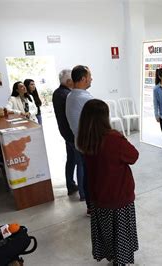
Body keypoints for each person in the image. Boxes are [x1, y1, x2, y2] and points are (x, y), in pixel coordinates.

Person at [76, 99, 139, 265]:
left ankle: (111, 256)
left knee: (106, 231)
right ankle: (120, 261)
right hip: (118, 194)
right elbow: (133, 156)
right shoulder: (114, 138)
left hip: (98, 195)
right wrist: (122, 137)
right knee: (121, 233)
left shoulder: (84, 139)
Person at [66, 65, 93, 215]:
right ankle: (93, 206)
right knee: (92, 175)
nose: (91, 79)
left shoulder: (71, 96)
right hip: (89, 144)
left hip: (80, 141)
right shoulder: (84, 98)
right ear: (83, 78)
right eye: (90, 76)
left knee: (87, 173)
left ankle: (90, 205)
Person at [52, 69, 81, 197]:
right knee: (79, 162)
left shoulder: (57, 93)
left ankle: (70, 184)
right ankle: (83, 192)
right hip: (72, 133)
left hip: (65, 132)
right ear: (69, 81)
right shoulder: (68, 95)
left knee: (71, 160)